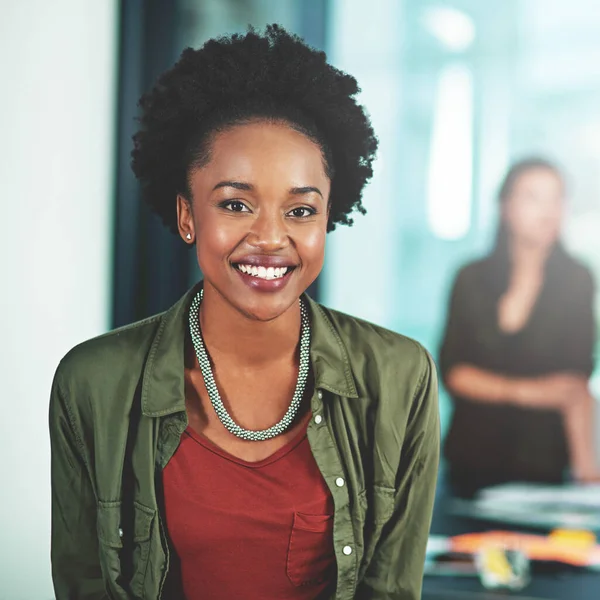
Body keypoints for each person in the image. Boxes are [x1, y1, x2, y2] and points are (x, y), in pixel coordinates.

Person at [49, 25, 440, 600]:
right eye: (236, 204)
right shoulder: (94, 383)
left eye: (301, 210)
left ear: (328, 218)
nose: (271, 238)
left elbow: (392, 589)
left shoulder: (400, 377)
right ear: (187, 216)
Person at [440, 158, 598, 498]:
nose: (549, 210)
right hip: (471, 461)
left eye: (557, 198)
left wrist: (494, 385)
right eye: (533, 197)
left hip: (545, 467)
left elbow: (574, 379)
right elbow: (454, 373)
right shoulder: (471, 278)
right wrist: (530, 392)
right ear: (505, 206)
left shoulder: (576, 279)